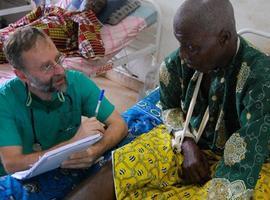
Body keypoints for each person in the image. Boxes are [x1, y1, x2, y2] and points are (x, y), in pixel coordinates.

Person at [112, 0, 270, 199]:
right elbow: (169, 107)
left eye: (192, 48)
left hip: (251, 160)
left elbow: (247, 157)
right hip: (190, 138)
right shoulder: (176, 63)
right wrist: (187, 143)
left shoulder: (261, 80)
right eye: (181, 44)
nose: (183, 55)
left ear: (224, 38)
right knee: (126, 165)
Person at [0, 26, 127, 199]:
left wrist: (95, 150)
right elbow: (12, 164)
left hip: (63, 168)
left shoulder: (77, 81)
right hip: (18, 179)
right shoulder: (4, 101)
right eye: (46, 67)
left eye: (58, 59)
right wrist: (72, 143)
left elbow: (119, 124)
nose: (60, 70)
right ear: (22, 75)